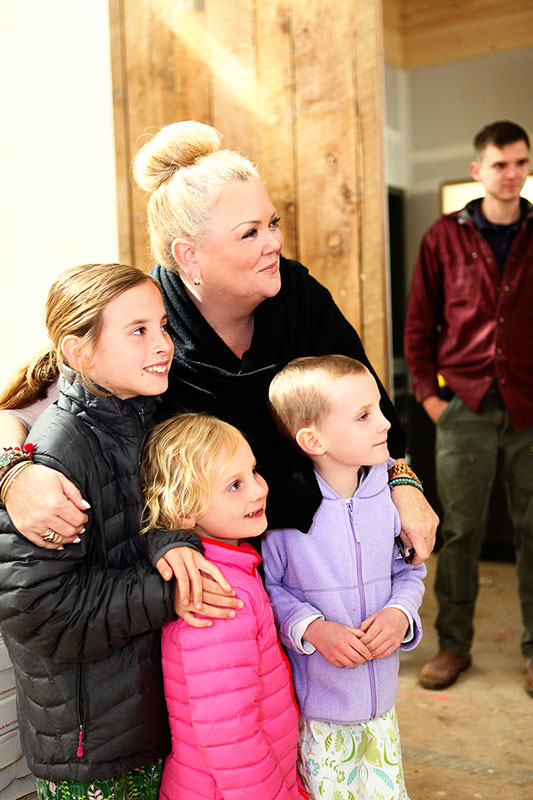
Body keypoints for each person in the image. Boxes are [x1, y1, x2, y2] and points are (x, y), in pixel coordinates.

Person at [0, 121, 437, 581]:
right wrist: (12, 474)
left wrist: (405, 484)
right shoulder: (146, 323)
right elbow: (24, 406)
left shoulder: (300, 297)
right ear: (188, 255)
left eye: (273, 223)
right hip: (212, 575)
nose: (274, 243)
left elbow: (375, 410)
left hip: (316, 556)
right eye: (250, 233)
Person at [0, 263, 227, 798]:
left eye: (163, 326)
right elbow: (41, 611)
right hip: (91, 744)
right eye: (139, 331)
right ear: (81, 353)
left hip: (136, 713)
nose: (163, 344)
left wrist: (174, 542)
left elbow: (138, 519)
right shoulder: (58, 454)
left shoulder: (137, 413)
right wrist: (170, 593)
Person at [403, 120, 533, 695]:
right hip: (464, 407)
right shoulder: (443, 237)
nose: (511, 174)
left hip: (530, 405)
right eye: (500, 164)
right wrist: (430, 399)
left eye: (520, 163)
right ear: (479, 170)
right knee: (459, 532)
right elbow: (419, 323)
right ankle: (454, 645)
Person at [262, 355, 426, 800]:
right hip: (319, 718)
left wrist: (399, 613)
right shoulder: (285, 518)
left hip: (383, 714)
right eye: (364, 415)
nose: (384, 424)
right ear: (313, 439)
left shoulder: (388, 496)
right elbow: (268, 591)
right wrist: (313, 628)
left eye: (378, 408)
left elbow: (408, 570)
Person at [139, 412, 309, 799]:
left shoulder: (232, 568)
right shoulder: (216, 596)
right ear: (184, 509)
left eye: (253, 472)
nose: (257, 490)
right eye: (234, 485)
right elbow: (230, 736)